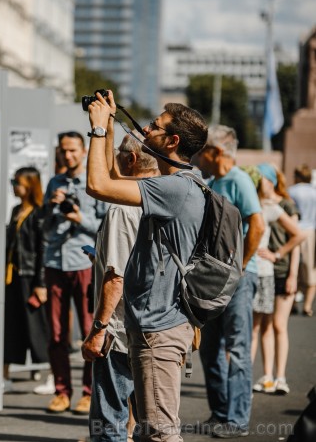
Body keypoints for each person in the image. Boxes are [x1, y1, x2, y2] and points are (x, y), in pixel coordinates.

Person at [86, 92, 208, 442]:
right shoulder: (180, 181)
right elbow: (112, 178)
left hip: (159, 331)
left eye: (155, 126)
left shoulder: (174, 188)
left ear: (172, 141)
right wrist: (108, 124)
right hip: (155, 327)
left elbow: (97, 185)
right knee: (146, 432)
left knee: (159, 433)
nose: (146, 128)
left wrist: (96, 131)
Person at [82, 132, 159, 442]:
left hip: (122, 330)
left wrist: (99, 329)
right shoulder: (168, 197)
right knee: (152, 421)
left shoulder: (122, 209)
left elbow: (116, 277)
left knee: (109, 421)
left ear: (131, 160)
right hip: (160, 326)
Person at [195, 125, 265, 438]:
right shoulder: (216, 181)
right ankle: (220, 413)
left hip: (237, 279)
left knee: (237, 349)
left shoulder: (238, 180)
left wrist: (241, 267)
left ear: (216, 152)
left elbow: (258, 225)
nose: (198, 157)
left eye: (201, 151)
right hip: (218, 278)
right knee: (210, 350)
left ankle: (235, 420)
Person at [41, 131, 105, 414]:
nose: (68, 156)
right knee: (56, 333)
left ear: (84, 151)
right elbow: (41, 225)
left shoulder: (93, 183)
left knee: (90, 327)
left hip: (84, 262)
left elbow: (105, 226)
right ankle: (61, 391)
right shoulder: (54, 182)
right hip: (55, 261)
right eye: (63, 151)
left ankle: (89, 392)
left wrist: (79, 217)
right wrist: (51, 207)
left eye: (73, 151)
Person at [245, 164, 304, 395]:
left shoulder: (286, 205)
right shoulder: (258, 205)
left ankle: (281, 377)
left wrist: (292, 274)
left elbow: (296, 242)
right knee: (264, 326)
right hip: (267, 270)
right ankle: (267, 374)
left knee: (279, 325)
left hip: (282, 270)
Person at [3, 167, 50, 393]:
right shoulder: (15, 210)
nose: (14, 186)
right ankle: (5, 374)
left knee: (38, 327)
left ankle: (53, 374)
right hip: (13, 276)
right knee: (11, 326)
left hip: (31, 277)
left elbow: (43, 249)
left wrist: (41, 284)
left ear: (30, 185)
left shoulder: (40, 213)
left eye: (17, 182)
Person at [289, 164, 316, 317]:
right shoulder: (314, 192)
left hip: (295, 231)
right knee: (310, 270)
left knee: (294, 270)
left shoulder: (292, 191)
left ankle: (293, 304)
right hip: (311, 232)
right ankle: (307, 306)